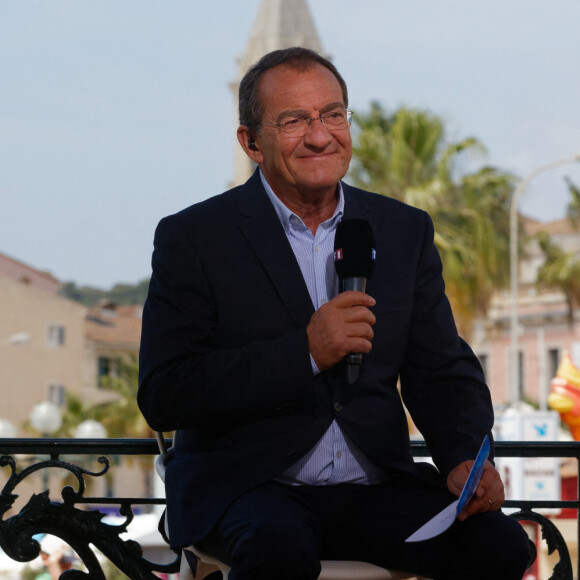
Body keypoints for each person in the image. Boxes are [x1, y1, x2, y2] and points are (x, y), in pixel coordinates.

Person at [138, 47, 530, 579]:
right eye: (294, 121)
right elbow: (166, 392)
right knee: (278, 552)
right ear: (250, 143)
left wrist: (464, 454)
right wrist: (304, 352)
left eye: (333, 114)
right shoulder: (195, 238)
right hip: (250, 488)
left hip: (372, 489)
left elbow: (439, 369)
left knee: (501, 546)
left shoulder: (401, 230)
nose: (320, 135)